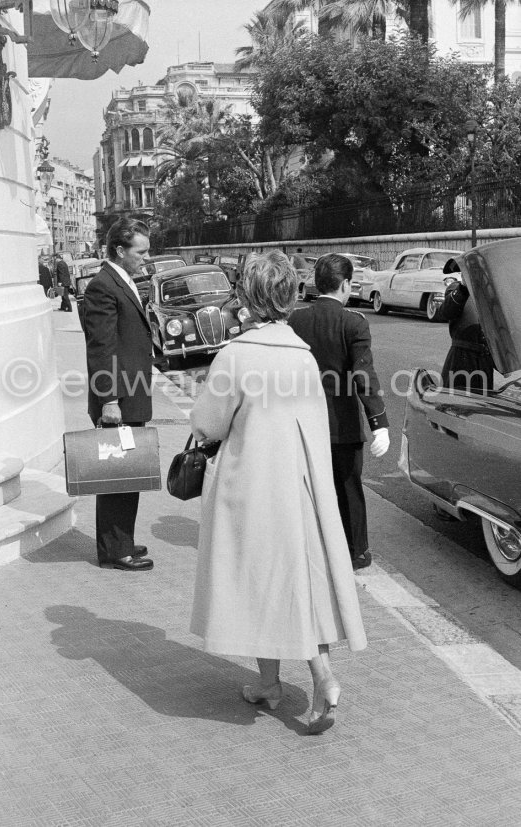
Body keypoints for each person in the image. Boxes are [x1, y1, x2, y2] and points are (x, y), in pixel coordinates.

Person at [189, 250, 367, 735]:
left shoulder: (237, 354)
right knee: (294, 581)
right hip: (302, 486)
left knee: (259, 580)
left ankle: (320, 677)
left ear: (248, 296)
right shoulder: (302, 355)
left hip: (249, 484)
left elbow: (207, 424)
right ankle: (271, 684)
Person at [289, 253, 389, 571]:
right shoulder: (353, 323)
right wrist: (379, 423)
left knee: (308, 487)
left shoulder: (295, 320)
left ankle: (313, 545)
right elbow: (364, 376)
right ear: (345, 284)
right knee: (348, 489)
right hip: (342, 425)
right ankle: (354, 551)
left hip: (304, 422)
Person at [83, 218, 154, 572]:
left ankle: (120, 540)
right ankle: (114, 550)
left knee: (129, 474)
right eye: (140, 252)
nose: (146, 257)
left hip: (130, 395)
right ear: (120, 251)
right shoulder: (102, 286)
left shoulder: (120, 280)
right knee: (117, 476)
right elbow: (101, 347)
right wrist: (108, 399)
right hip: (119, 400)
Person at [438, 257, 494, 392]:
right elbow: (446, 312)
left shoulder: (490, 294)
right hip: (461, 358)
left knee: (482, 405)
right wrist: (463, 287)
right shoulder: (456, 289)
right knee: (456, 403)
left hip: (484, 362)